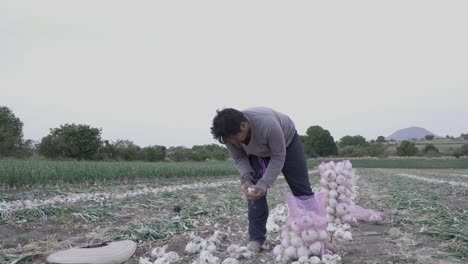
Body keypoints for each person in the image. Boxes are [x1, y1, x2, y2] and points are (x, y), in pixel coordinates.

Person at [210, 106, 313, 252]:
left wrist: (264, 184)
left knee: (302, 189)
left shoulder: (268, 125)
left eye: (234, 138)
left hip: (287, 144)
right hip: (256, 152)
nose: (232, 142)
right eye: (229, 140)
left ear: (243, 125)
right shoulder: (229, 136)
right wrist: (246, 178)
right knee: (253, 192)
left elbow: (278, 156)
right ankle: (256, 238)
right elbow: (239, 157)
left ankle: (315, 236)